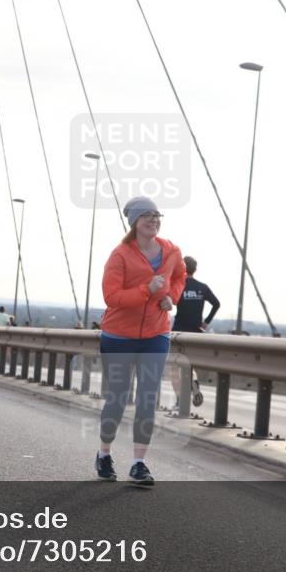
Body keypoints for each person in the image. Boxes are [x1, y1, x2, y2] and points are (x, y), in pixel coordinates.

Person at [95, 197, 185, 485]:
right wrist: (147, 289)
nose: (153, 220)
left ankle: (138, 463)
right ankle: (104, 454)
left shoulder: (172, 251)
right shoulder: (120, 255)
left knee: (147, 398)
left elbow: (181, 276)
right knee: (118, 399)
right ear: (134, 222)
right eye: (146, 215)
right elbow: (112, 297)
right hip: (119, 336)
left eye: (156, 215)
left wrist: (172, 296)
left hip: (156, 335)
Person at [169, 255, 220, 409]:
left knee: (174, 368)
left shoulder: (179, 286)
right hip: (195, 332)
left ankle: (179, 400)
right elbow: (216, 304)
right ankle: (194, 383)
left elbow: (168, 303)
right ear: (195, 270)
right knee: (190, 365)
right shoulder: (202, 287)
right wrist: (206, 323)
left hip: (178, 332)